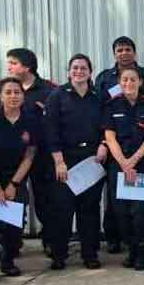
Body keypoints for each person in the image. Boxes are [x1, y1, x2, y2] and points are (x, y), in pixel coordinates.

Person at [0, 48, 56, 257]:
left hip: (40, 153)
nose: (9, 67)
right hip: (9, 157)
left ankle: (50, 239)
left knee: (45, 198)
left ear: (27, 66)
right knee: (13, 198)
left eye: (13, 63)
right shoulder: (1, 87)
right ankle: (11, 243)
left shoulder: (49, 89)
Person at [44, 54, 108, 270]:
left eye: (83, 68)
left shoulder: (98, 95)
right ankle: (59, 255)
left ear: (90, 72)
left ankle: (90, 254)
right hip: (65, 160)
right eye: (75, 68)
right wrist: (58, 161)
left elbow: (107, 124)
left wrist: (104, 144)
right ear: (69, 71)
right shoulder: (57, 95)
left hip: (92, 159)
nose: (79, 71)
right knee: (62, 209)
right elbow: (50, 130)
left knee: (89, 209)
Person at [0, 77, 39, 283]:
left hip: (16, 177)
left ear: (23, 96)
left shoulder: (30, 120)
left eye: (17, 92)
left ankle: (7, 260)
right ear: (1, 97)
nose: (13, 96)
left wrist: (13, 185)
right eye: (8, 92)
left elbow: (29, 156)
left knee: (15, 221)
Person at [104, 68, 144, 271]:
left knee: (141, 212)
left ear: (140, 82)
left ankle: (142, 253)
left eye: (133, 79)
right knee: (122, 212)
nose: (129, 83)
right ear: (120, 82)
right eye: (125, 79)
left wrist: (133, 161)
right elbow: (110, 137)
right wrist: (124, 163)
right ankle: (132, 250)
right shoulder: (111, 105)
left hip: (142, 164)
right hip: (119, 165)